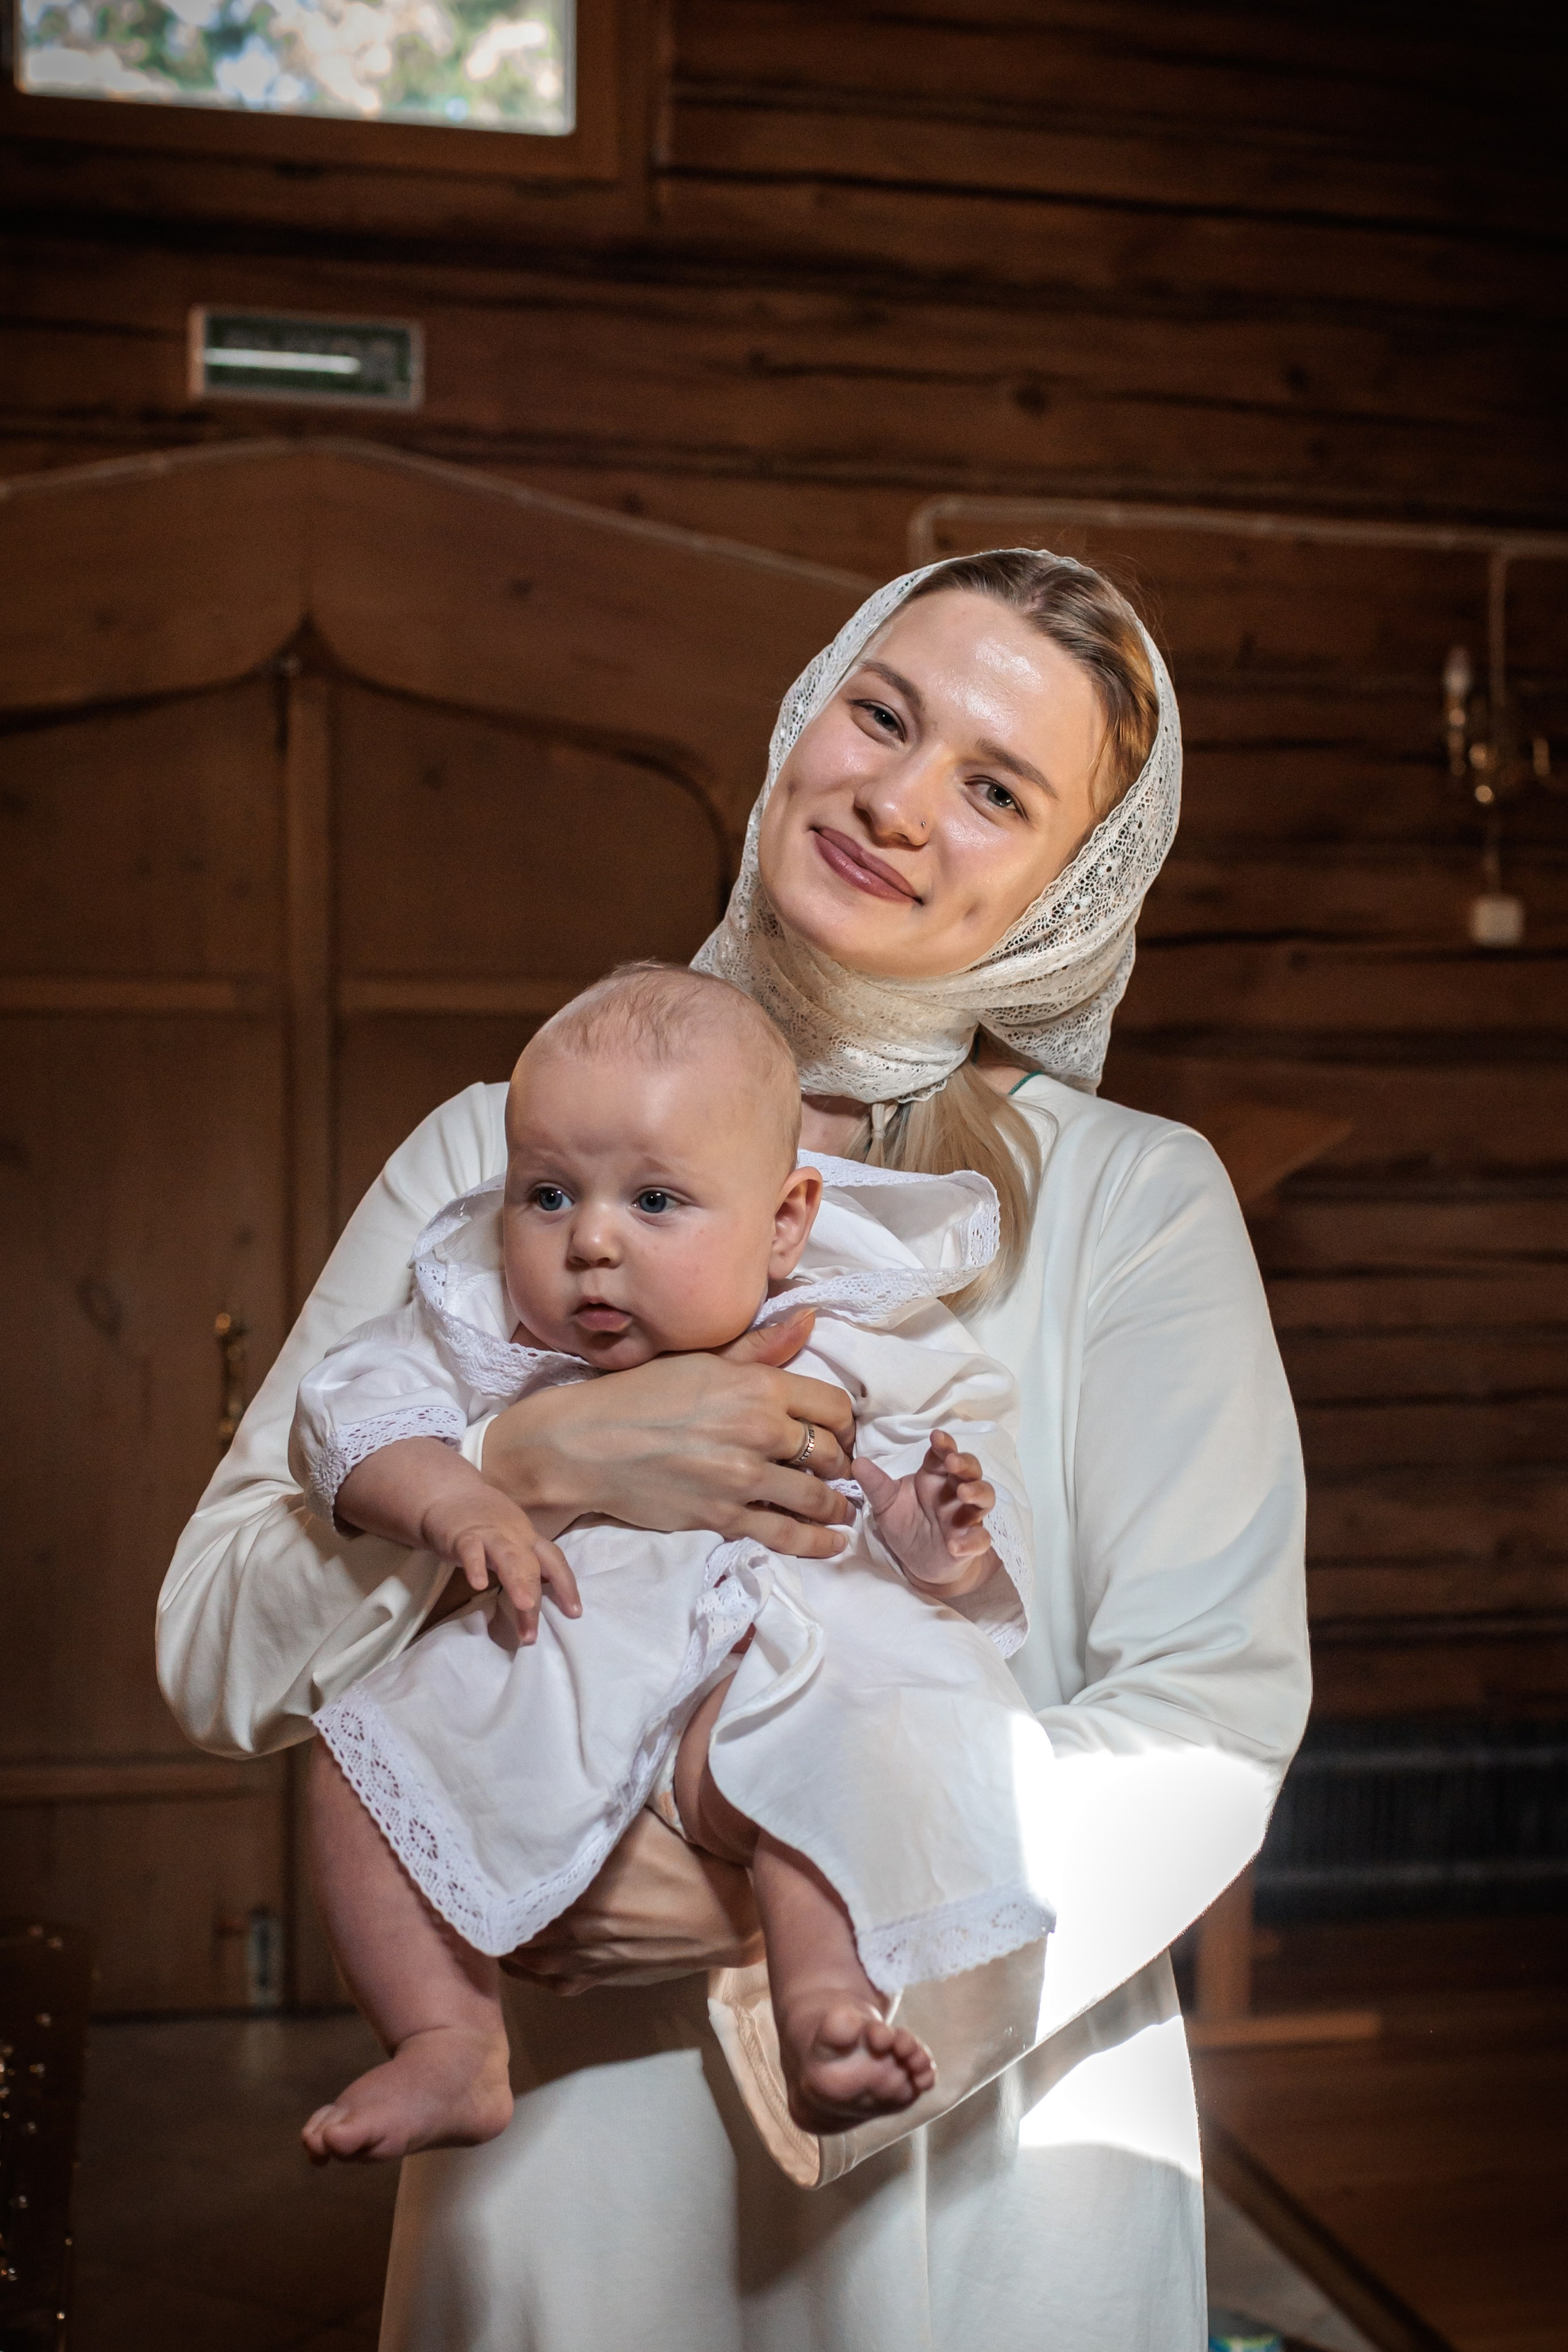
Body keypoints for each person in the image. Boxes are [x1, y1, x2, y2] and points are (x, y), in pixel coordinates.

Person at [159, 549, 1310, 2351]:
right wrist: (543, 1453)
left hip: (979, 2176)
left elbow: (1206, 1729)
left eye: (995, 791)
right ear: (798, 724)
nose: (898, 801)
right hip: (573, 2146)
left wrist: (748, 1901)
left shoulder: (1133, 1204)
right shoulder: (500, 1156)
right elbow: (216, 1648)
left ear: (1073, 887)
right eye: (881, 714)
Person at [292, 962, 1054, 2161]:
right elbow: (348, 1419)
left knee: (821, 1769)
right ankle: (446, 2040)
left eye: (654, 1202)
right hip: (554, 1665)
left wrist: (927, 1533)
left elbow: (908, 1491)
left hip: (763, 1679)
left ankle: (823, 2010)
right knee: (354, 1771)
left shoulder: (848, 1331)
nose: (591, 1242)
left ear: (784, 1222)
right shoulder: (483, 1331)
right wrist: (459, 1495)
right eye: (548, 1195)